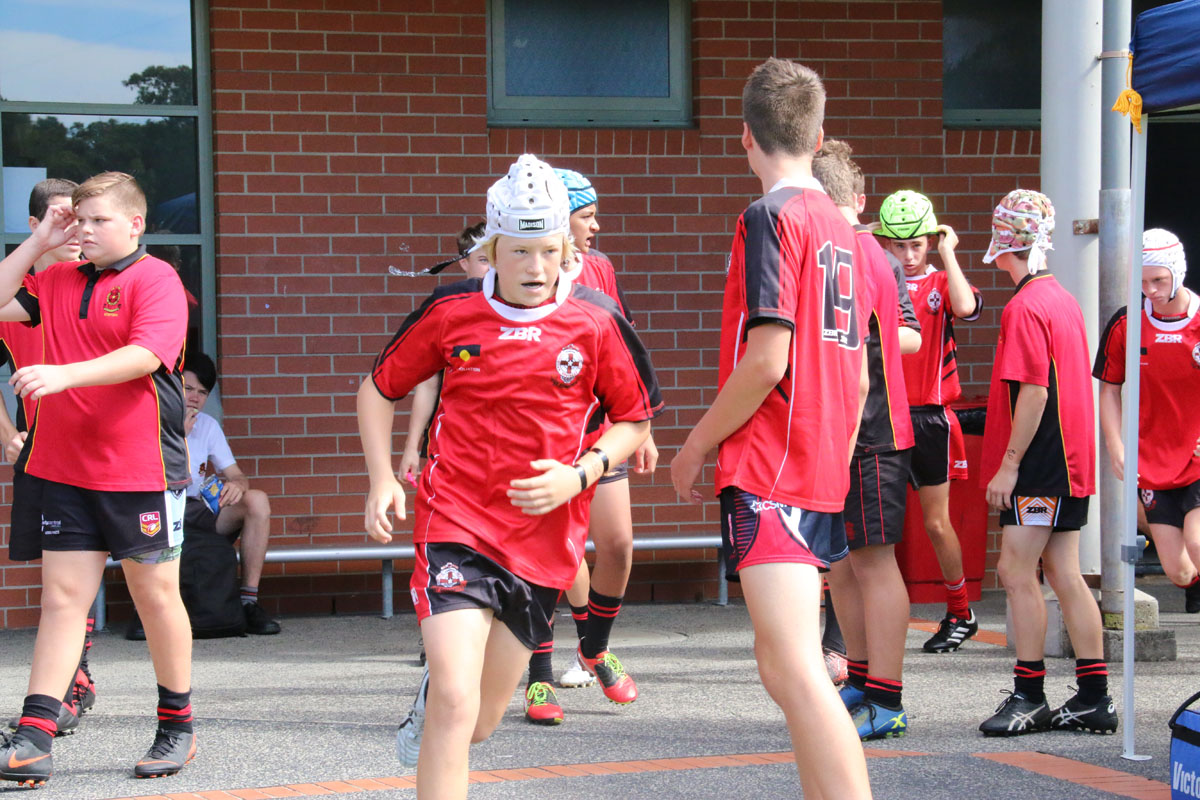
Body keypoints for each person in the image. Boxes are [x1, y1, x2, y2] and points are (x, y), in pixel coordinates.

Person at [358, 154, 661, 798]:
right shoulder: (450, 311)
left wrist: (581, 475)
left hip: (543, 542)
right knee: (456, 701)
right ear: (491, 249)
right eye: (520, 251)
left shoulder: (597, 318)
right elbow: (377, 389)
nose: (535, 267)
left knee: (480, 722)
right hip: (456, 522)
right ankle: (442, 692)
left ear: (567, 248)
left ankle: (437, 697)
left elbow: (634, 421)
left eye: (548, 250)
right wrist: (382, 477)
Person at [671, 59, 872, 799]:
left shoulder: (770, 217)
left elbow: (766, 359)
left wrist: (697, 444)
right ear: (818, 138)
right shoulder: (844, 227)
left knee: (795, 669)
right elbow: (858, 376)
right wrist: (834, 460)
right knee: (786, 666)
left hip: (772, 461)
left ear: (745, 137)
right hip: (816, 460)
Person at [0, 172, 195, 786]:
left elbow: (145, 355)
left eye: (97, 220)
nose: (83, 231)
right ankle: (34, 738)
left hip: (139, 469)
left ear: (135, 224)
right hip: (62, 468)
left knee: (154, 597)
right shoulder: (55, 278)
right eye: (77, 220)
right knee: (62, 600)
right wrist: (37, 243)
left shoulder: (156, 278)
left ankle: (177, 725)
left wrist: (64, 374)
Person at [978, 190, 1115, 737]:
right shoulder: (1062, 298)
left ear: (1002, 242)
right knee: (1064, 573)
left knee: (1015, 572)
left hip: (1041, 462)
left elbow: (1033, 392)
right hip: (1070, 459)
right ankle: (1093, 697)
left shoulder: (1025, 306)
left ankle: (1030, 695)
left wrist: (1009, 464)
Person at [522, 168, 657, 725]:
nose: (595, 226)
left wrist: (643, 427)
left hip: (600, 432)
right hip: (542, 438)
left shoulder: (599, 267)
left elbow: (623, 350)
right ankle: (537, 676)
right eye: (586, 216)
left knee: (617, 546)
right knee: (545, 555)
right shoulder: (524, 274)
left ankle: (594, 648)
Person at [813, 140, 921, 741]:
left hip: (869, 431)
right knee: (848, 563)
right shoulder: (862, 252)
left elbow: (865, 351)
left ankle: (888, 696)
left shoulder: (847, 253)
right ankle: (862, 678)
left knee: (874, 565)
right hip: (859, 429)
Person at [1, 179, 98, 735]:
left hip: (114, 452)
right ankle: (67, 684)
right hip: (44, 452)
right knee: (60, 578)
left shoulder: (110, 280)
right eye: (62, 218)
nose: (75, 230)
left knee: (151, 584)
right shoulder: (23, 295)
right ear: (37, 224)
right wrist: (7, 434)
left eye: (82, 219)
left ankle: (175, 716)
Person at [877, 189, 981, 653]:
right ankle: (868, 617)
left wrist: (948, 251)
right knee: (877, 525)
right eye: (898, 245)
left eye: (916, 244)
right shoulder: (879, 280)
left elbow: (966, 307)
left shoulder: (940, 280)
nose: (908, 254)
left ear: (930, 240)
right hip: (882, 412)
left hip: (930, 416)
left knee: (937, 524)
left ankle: (960, 611)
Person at [1095, 229, 1200, 613]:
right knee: (1178, 571)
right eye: (1141, 281)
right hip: (1153, 460)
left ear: (1177, 272)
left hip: (1196, 455)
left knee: (1198, 542)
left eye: (1158, 279)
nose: (1150, 290)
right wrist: (1115, 445)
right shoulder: (1127, 324)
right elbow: (1109, 389)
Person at [183, 351, 280, 635]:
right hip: (159, 511)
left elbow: (237, 474)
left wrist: (237, 485)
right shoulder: (153, 421)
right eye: (188, 388)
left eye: (202, 393)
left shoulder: (207, 425)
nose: (194, 398)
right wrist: (178, 436)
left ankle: (249, 602)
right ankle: (145, 611)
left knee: (256, 500)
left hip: (198, 509)